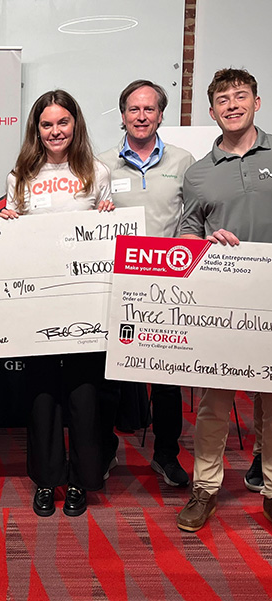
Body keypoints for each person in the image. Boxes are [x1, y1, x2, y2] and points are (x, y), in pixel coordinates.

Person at [0, 90, 113, 518]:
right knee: (42, 395)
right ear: (36, 129)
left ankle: (83, 480)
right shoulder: (20, 176)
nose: (55, 131)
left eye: (62, 122)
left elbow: (108, 233)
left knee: (84, 396)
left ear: (75, 124)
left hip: (84, 304)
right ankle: (47, 480)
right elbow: (11, 241)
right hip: (37, 305)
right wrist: (6, 222)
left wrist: (108, 215)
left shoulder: (96, 171)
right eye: (47, 124)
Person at [177, 68, 272, 531]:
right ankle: (205, 489)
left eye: (240, 96)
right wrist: (205, 245)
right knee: (214, 404)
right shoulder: (197, 175)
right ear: (212, 111)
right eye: (222, 99)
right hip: (221, 306)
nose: (232, 105)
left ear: (257, 102)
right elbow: (185, 238)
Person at [98, 80, 195, 487]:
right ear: (122, 115)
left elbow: (193, 219)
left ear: (160, 115)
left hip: (167, 286)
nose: (141, 117)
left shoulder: (184, 161)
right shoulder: (101, 163)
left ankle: (166, 455)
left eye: (149, 110)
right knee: (109, 379)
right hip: (114, 285)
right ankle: (103, 453)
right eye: (134, 110)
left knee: (167, 380)